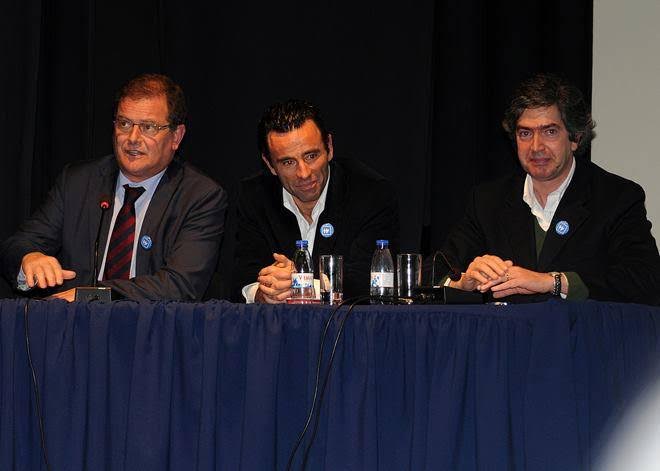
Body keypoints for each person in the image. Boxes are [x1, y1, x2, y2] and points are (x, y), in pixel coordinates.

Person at [0, 73, 227, 301]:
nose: (133, 138)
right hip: (73, 330)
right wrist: (28, 258)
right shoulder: (78, 182)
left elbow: (180, 284)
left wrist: (93, 296)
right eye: (124, 123)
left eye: (148, 127)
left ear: (176, 136)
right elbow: (17, 245)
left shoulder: (200, 196)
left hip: (152, 330)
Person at [441, 73, 660, 304]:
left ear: (575, 137)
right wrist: (462, 283)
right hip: (507, 338)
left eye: (550, 132)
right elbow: (435, 271)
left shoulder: (616, 198)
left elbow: (647, 279)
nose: (536, 147)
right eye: (525, 133)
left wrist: (553, 282)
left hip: (582, 337)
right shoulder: (488, 201)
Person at [234, 99, 399, 303]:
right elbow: (243, 274)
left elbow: (370, 277)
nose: (304, 173)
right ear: (269, 165)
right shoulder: (255, 197)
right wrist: (263, 293)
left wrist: (300, 283)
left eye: (311, 156)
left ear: (329, 147)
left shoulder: (371, 194)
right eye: (288, 162)